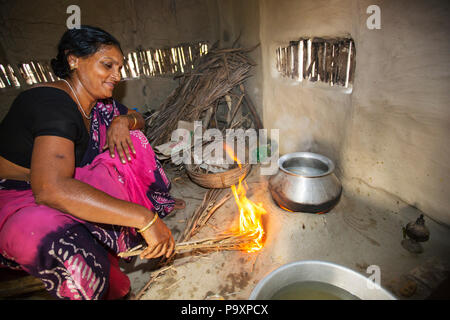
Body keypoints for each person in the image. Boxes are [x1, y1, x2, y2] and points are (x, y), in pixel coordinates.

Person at [0, 25, 185, 300]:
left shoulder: (98, 104)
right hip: (18, 195)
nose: (117, 76)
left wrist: (124, 121)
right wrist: (145, 219)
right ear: (73, 59)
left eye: (120, 67)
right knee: (53, 238)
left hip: (68, 180)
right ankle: (106, 275)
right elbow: (50, 189)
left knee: (134, 142)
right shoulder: (51, 103)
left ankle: (128, 223)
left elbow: (140, 120)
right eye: (108, 65)